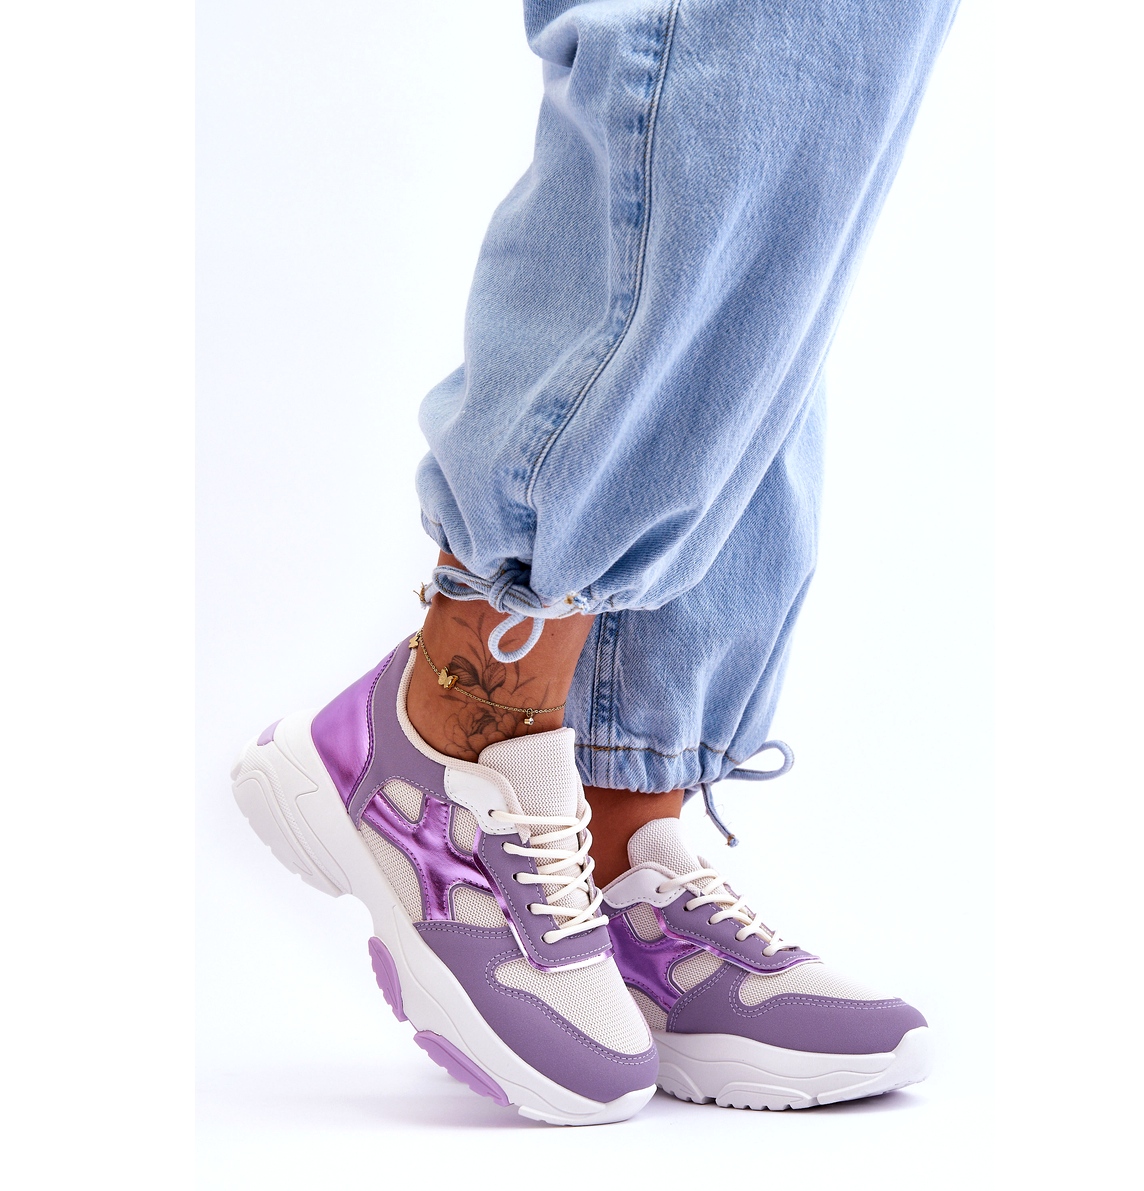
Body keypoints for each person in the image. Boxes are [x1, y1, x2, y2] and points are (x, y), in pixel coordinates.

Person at [231, 0, 959, 1123]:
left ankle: (611, 829)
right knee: (738, 56)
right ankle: (461, 718)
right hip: (484, 672)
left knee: (787, 231)